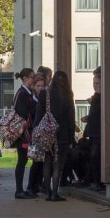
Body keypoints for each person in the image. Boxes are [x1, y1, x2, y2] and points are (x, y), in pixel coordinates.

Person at [42, 71, 77, 202]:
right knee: (57, 164)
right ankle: (54, 194)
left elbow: (40, 114)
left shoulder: (45, 94)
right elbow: (70, 118)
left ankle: (47, 192)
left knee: (47, 162)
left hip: (47, 133)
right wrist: (71, 137)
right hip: (62, 134)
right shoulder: (67, 95)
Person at [8, 69, 38, 198]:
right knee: (23, 160)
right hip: (24, 135)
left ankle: (27, 188)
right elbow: (23, 112)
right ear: (25, 78)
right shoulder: (22, 94)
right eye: (32, 77)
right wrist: (36, 107)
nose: (33, 80)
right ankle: (19, 190)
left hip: (28, 134)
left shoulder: (28, 92)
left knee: (31, 159)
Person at [75, 68, 103, 192]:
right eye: (94, 84)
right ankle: (91, 180)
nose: (95, 86)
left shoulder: (103, 98)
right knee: (92, 157)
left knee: (96, 156)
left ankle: (97, 182)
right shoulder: (96, 97)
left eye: (98, 83)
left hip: (99, 132)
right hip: (92, 132)